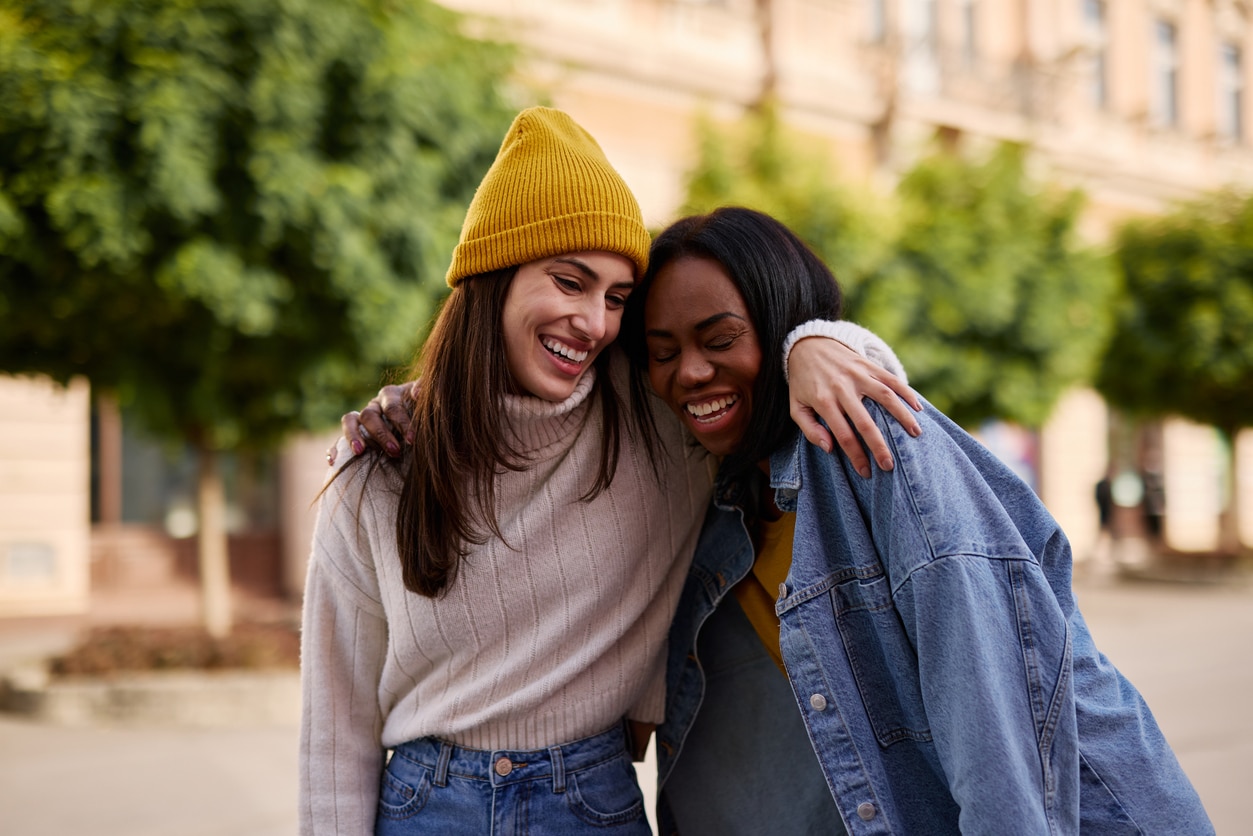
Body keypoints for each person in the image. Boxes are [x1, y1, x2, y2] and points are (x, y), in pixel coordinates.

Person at [301, 107, 918, 836]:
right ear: (493, 276)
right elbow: (334, 727)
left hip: (589, 802)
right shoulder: (380, 471)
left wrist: (810, 343)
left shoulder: (660, 425)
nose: (594, 322)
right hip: (423, 806)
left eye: (616, 298)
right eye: (569, 282)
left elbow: (792, 359)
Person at [622, 206, 1212, 835]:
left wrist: (814, 340)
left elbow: (996, 739)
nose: (689, 371)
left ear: (779, 321)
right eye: (663, 353)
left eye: (720, 341)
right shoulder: (726, 499)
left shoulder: (877, 446)